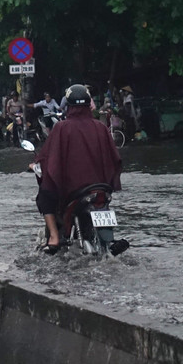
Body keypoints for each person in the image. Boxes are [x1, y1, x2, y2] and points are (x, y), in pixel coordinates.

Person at [32, 84, 122, 253]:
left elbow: (49, 158)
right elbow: (115, 158)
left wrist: (36, 164)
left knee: (44, 196)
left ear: (68, 106)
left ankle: (54, 237)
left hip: (73, 190)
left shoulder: (61, 127)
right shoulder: (100, 127)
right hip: (100, 188)